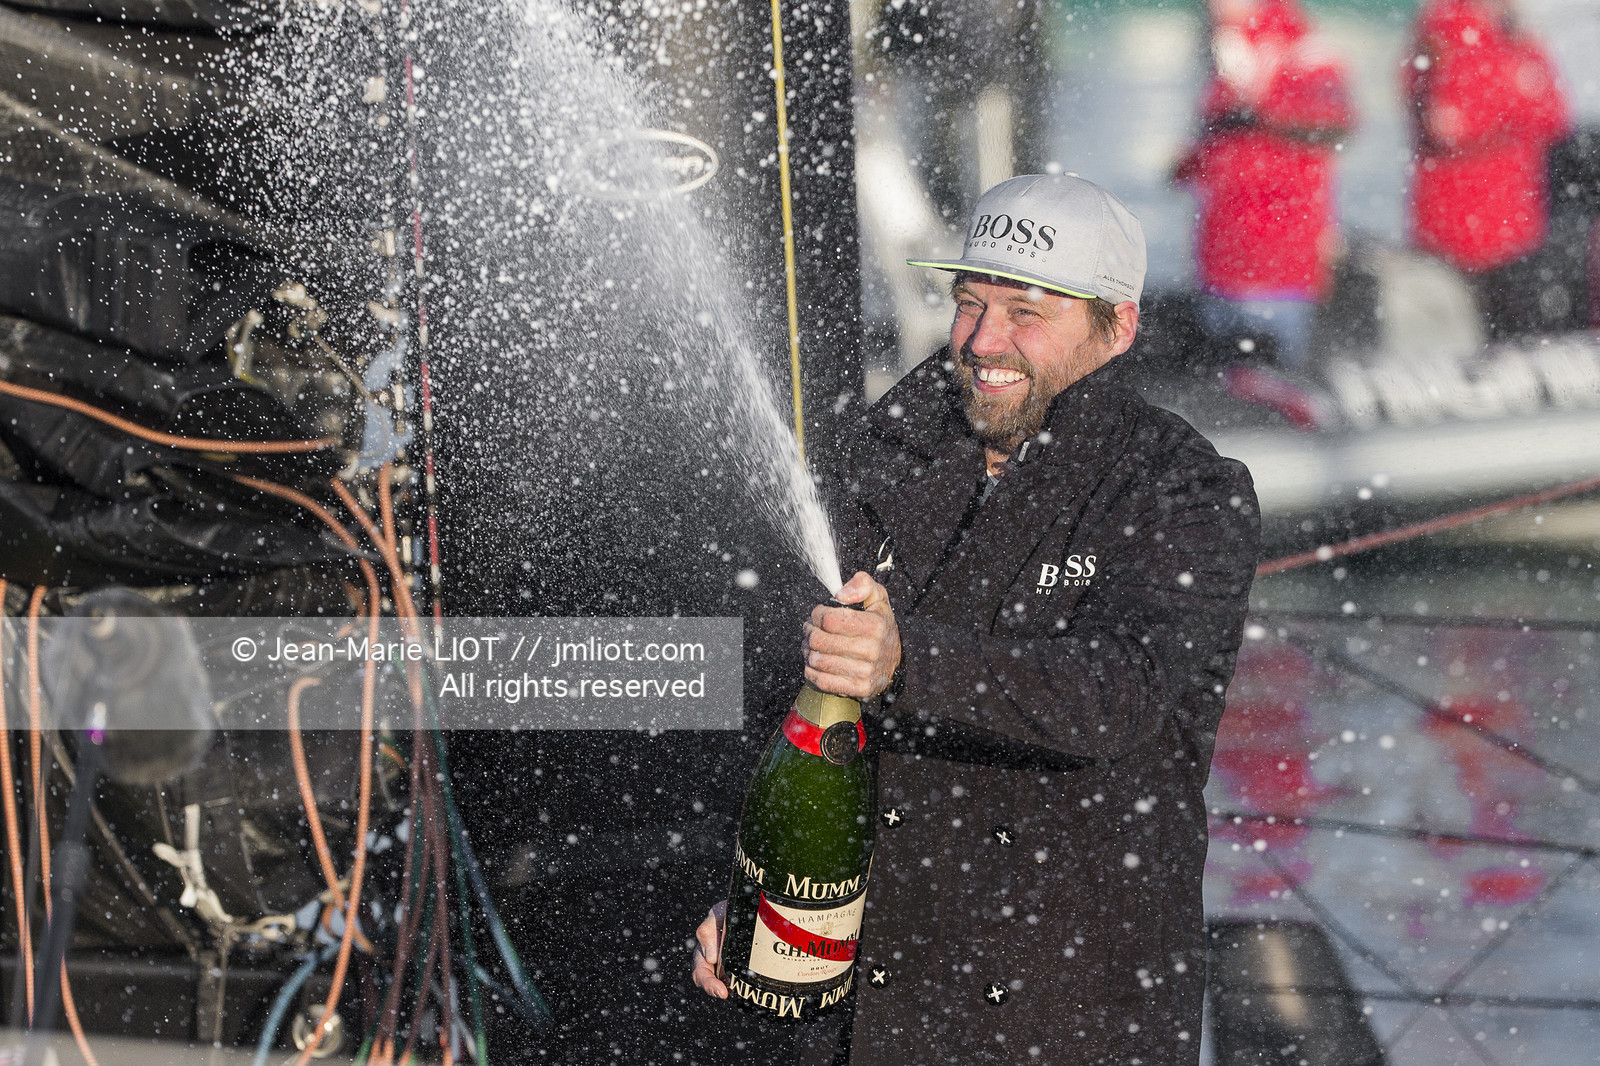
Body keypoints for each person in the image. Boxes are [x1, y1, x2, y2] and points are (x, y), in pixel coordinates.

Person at [693, 174, 1260, 1064]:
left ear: (1119, 327)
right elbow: (794, 706)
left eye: (1028, 313)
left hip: (1063, 1013)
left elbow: (1117, 695)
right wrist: (757, 891)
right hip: (865, 1009)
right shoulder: (886, 456)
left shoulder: (1181, 488)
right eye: (969, 303)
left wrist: (904, 661)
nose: (985, 341)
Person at [1174, 0, 1356, 369]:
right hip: (1220, 262)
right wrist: (1187, 164)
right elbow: (1219, 151)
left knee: (1276, 394)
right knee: (1224, 397)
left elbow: (1335, 124)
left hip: (1280, 266)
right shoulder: (1226, 49)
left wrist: (1259, 100)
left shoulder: (1304, 49)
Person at [1403, 0, 1572, 338]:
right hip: (1460, 231)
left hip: (1512, 225)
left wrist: (1513, 102)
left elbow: (1557, 115)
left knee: (1515, 335)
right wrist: (1519, 98)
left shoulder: (1515, 34)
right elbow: (1450, 122)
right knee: (1468, 342)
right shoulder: (1447, 30)